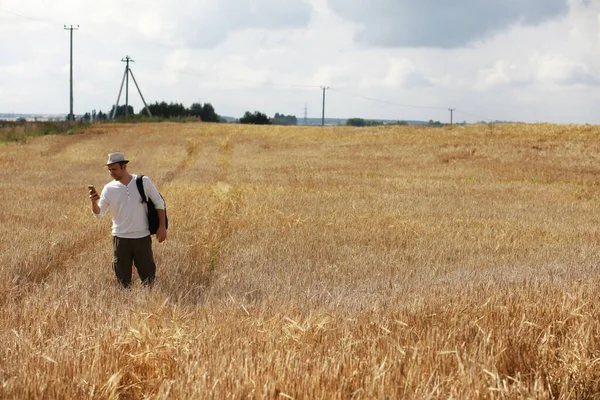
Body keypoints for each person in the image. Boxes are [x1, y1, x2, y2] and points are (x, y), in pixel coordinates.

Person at [89, 152, 167, 288]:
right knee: (122, 281)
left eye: (114, 169)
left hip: (142, 238)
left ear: (124, 167)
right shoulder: (108, 189)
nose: (111, 172)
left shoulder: (143, 181)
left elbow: (159, 203)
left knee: (148, 279)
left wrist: (162, 227)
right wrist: (94, 202)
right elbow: (99, 214)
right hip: (120, 239)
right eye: (109, 169)